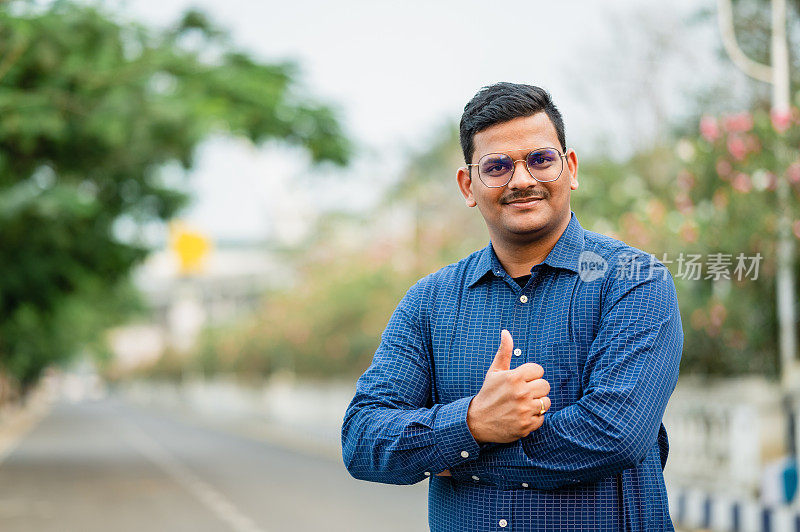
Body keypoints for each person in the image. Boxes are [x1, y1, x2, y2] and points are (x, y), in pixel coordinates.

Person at [341, 82, 683, 531]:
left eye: (541, 160)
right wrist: (473, 423)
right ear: (469, 185)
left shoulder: (634, 280)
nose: (522, 180)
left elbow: (614, 433)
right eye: (497, 166)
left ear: (570, 168)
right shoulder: (429, 302)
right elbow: (363, 436)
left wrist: (460, 450)